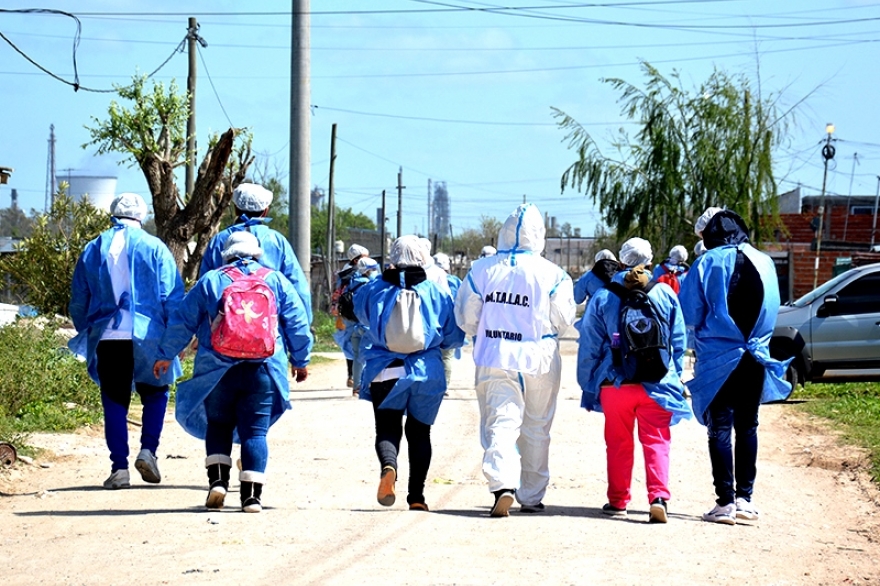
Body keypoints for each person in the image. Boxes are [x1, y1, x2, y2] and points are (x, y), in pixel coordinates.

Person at [154, 231, 313, 513]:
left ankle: (218, 482)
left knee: (218, 424)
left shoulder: (212, 280)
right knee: (255, 432)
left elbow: (183, 319)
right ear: (256, 253)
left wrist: (166, 354)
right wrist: (300, 360)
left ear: (226, 254)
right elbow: (297, 322)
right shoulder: (275, 280)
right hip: (263, 368)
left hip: (216, 369)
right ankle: (251, 497)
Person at [455, 203, 576, 517]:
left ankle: (502, 484)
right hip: (540, 357)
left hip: (495, 354)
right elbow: (563, 318)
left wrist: (483, 331)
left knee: (501, 421)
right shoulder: (554, 274)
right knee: (537, 426)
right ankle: (532, 495)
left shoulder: (481, 270)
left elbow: (467, 316)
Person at [679, 208, 791, 525]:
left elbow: (689, 314)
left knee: (719, 428)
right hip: (756, 356)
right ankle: (746, 499)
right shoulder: (765, 261)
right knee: (748, 425)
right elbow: (772, 308)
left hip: (717, 358)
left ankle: (725, 501)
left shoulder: (706, 262)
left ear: (710, 233)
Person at [68, 192, 184, 490]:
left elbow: (79, 300)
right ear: (141, 216)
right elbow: (171, 296)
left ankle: (119, 468)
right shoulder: (155, 247)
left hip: (108, 335)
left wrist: (90, 331)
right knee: (156, 392)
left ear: (113, 214)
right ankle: (149, 451)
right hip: (149, 334)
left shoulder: (94, 248)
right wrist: (173, 340)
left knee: (115, 399)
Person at [576, 237, 691, 523]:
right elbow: (678, 341)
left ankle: (618, 501)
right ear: (650, 261)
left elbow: (589, 343)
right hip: (658, 382)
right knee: (657, 441)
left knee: (617, 443)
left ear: (621, 260)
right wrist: (672, 377)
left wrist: (588, 382)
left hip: (616, 382)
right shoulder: (664, 293)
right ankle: (658, 497)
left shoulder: (603, 296)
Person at [353, 235, 464, 512]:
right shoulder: (436, 291)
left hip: (385, 370)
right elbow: (452, 335)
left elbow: (361, 316)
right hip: (427, 372)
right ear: (423, 259)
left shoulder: (373, 289)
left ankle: (389, 466)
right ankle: (417, 497)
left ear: (392, 258)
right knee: (420, 433)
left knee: (387, 428)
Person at [200, 182, 312, 324]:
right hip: (269, 334)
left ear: (235, 209)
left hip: (223, 331)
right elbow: (298, 289)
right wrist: (304, 326)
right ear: (265, 211)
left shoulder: (219, 240)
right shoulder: (277, 241)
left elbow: (204, 289)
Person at [342, 256, 380, 396]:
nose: (376, 271)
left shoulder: (352, 283)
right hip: (367, 326)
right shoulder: (369, 286)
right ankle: (370, 384)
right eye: (374, 269)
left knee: (358, 357)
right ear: (368, 271)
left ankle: (357, 386)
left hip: (353, 326)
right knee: (373, 355)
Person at [333, 244, 370, 389]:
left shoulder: (343, 274)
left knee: (350, 345)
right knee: (361, 345)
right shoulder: (361, 274)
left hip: (345, 314)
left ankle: (352, 376)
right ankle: (359, 379)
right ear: (356, 260)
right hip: (360, 315)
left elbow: (337, 294)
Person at [433, 252, 463, 387]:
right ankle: (444, 385)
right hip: (451, 323)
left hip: (432, 323)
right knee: (447, 356)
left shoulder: (429, 278)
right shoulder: (455, 281)